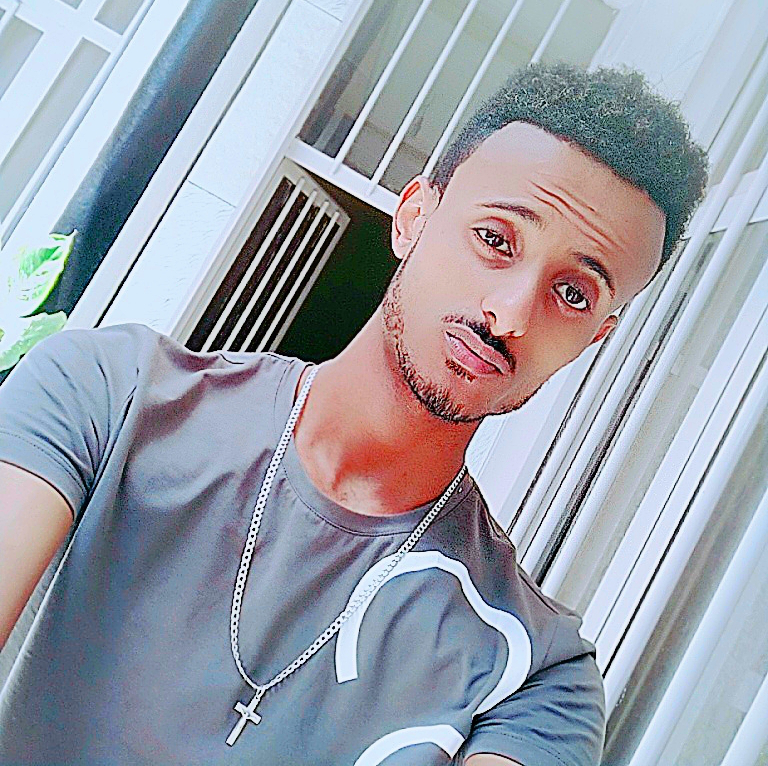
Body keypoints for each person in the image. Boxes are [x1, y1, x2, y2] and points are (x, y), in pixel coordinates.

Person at [0, 63, 707, 765]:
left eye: (574, 294)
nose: (511, 314)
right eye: (496, 239)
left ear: (596, 337)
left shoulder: (538, 677)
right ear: (414, 218)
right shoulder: (113, 396)